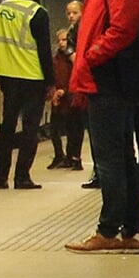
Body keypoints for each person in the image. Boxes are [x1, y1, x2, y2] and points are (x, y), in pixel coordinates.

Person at [64, 0, 139, 254]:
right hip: (109, 79)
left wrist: (90, 56)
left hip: (109, 80)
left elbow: (121, 30)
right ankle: (130, 232)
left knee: (110, 159)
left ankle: (109, 230)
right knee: (122, 158)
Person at [0, 0, 55, 190]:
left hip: (7, 77)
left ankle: (0, 177)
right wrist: (51, 83)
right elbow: (45, 51)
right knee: (29, 129)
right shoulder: (38, 13)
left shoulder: (2, 8)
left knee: (6, 127)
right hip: (32, 77)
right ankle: (22, 177)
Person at [46, 22, 85, 171]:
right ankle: (59, 156)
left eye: (65, 40)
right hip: (59, 100)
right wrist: (53, 91)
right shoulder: (55, 59)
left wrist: (67, 90)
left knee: (73, 129)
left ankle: (73, 157)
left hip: (72, 99)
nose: (62, 43)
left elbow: (78, 75)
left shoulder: (74, 59)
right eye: (60, 40)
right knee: (55, 129)